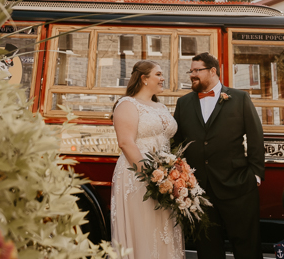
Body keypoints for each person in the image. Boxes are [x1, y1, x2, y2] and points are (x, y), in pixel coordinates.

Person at [173, 52, 264, 259]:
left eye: (197, 70)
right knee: (208, 249)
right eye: (191, 71)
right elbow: (176, 144)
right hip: (199, 190)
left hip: (238, 185)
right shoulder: (183, 103)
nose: (192, 75)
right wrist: (183, 180)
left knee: (246, 247)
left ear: (213, 71)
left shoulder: (240, 98)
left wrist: (255, 175)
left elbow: (255, 136)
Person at [111, 60, 184, 258]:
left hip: (164, 178)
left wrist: (172, 176)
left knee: (162, 228)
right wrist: (154, 178)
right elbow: (126, 143)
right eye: (158, 74)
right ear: (144, 79)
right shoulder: (127, 105)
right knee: (144, 227)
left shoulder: (159, 107)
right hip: (138, 176)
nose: (162, 78)